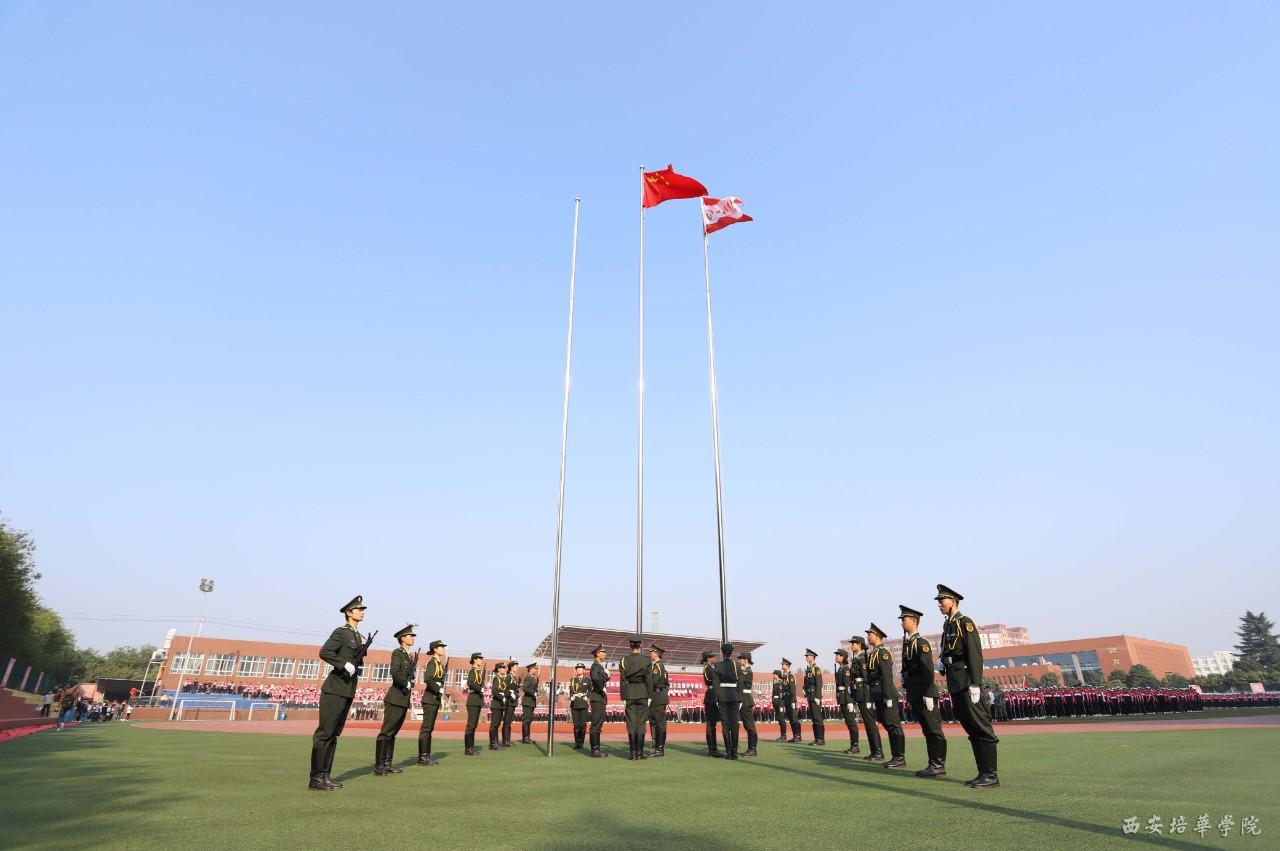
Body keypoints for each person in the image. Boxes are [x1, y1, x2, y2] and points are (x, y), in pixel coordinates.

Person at [936, 584, 1001, 788]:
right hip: (955, 682)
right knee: (971, 728)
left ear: (953, 602)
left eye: (942, 601)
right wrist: (942, 661)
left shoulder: (965, 622)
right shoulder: (948, 625)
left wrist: (975, 682)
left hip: (966, 681)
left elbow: (974, 654)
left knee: (981, 727)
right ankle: (982, 772)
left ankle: (991, 775)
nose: (939, 604)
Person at [309, 595, 369, 791]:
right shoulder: (341, 632)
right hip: (334, 689)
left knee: (334, 734)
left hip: (347, 689)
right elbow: (325, 652)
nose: (362, 612)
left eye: (362, 609)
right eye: (359, 609)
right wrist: (343, 664)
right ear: (349, 613)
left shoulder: (358, 636)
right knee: (325, 733)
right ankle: (316, 778)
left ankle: (325, 775)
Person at [898, 604, 947, 778]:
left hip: (925, 693)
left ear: (913, 621)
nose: (902, 623)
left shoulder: (921, 643)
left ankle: (938, 764)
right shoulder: (909, 643)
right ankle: (933, 763)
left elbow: (927, 670)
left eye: (904, 619)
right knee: (927, 730)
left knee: (933, 729)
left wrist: (927, 693)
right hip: (916, 693)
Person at [374, 623, 415, 776]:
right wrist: (405, 683)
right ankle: (379, 765)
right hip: (395, 698)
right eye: (410, 636)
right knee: (386, 732)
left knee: (393, 733)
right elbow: (394, 671)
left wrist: (411, 682)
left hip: (403, 699)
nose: (412, 638)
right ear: (402, 638)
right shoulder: (398, 653)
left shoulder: (409, 656)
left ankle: (387, 763)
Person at [865, 623, 905, 767]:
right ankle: (896, 756)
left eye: (870, 634)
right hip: (878, 695)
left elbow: (887, 676)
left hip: (886, 695)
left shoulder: (883, 653)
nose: (868, 637)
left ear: (877, 636)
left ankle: (899, 757)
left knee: (893, 726)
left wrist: (888, 696)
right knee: (887, 724)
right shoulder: (874, 653)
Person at [618, 634, 651, 760]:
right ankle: (639, 753)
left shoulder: (624, 660)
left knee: (631, 723)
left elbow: (622, 680)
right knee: (641, 723)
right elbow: (649, 679)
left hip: (630, 693)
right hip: (643, 692)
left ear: (630, 645)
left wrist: (623, 697)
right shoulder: (646, 660)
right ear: (640, 645)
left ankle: (632, 753)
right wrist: (650, 695)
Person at [850, 635, 881, 759]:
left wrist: (868, 697)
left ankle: (878, 751)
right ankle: (874, 751)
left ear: (859, 645)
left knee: (870, 724)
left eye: (854, 643)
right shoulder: (857, 658)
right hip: (860, 694)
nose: (852, 646)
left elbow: (867, 679)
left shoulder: (863, 658)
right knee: (867, 725)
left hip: (864, 694)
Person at [417, 639, 446, 766]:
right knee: (426, 728)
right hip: (429, 699)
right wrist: (438, 688)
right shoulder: (432, 663)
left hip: (434, 699)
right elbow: (427, 678)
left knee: (429, 729)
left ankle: (426, 755)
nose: (443, 649)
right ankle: (423, 757)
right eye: (441, 647)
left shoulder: (439, 663)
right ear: (435, 649)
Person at [713, 643, 743, 760]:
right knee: (734, 724)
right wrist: (740, 698)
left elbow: (715, 684)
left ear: (722, 652)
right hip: (734, 696)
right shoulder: (737, 665)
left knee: (725, 724)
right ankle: (734, 753)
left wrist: (717, 698)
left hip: (722, 697)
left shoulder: (718, 665)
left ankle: (728, 752)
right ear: (731, 653)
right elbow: (740, 683)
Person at [834, 648, 860, 754]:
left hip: (846, 698)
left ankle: (855, 746)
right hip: (842, 698)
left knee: (851, 723)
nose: (836, 657)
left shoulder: (845, 669)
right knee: (848, 723)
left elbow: (848, 686)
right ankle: (853, 745)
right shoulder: (840, 669)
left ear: (843, 657)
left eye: (838, 655)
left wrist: (850, 701)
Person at [587, 644, 610, 758]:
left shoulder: (599, 666)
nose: (605, 654)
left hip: (600, 697)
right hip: (597, 697)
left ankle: (597, 749)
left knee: (599, 723)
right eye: (602, 652)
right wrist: (604, 679)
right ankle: (595, 750)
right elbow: (596, 678)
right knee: (596, 724)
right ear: (597, 654)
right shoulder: (596, 666)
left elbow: (599, 678)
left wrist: (606, 676)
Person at [647, 645, 669, 757]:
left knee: (659, 723)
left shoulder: (657, 666)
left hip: (657, 696)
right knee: (655, 722)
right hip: (659, 696)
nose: (650, 654)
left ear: (656, 654)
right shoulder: (660, 666)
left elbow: (653, 682)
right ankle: (657, 746)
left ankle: (659, 749)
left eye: (651, 652)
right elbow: (667, 684)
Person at [700, 649, 722, 757]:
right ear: (708, 659)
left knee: (712, 724)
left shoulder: (709, 668)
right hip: (712, 696)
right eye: (713, 657)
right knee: (711, 724)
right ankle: (712, 749)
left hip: (711, 695)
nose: (714, 658)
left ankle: (713, 748)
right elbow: (715, 682)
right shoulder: (708, 669)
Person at [737, 650, 759, 757]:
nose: (740, 661)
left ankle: (752, 749)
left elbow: (740, 683)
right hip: (743, 699)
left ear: (746, 660)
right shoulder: (743, 671)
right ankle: (751, 748)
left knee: (750, 726)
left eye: (741, 659)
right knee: (747, 726)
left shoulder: (747, 671)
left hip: (745, 700)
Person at [464, 652, 485, 756]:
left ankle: (470, 748)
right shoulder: (473, 671)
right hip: (473, 700)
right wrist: (480, 688)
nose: (481, 660)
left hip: (477, 700)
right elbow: (470, 683)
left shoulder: (477, 672)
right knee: (471, 725)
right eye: (480, 658)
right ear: (475, 660)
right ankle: (468, 749)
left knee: (474, 725)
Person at [803, 649, 825, 745]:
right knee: (813, 719)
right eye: (806, 656)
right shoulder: (809, 669)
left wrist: (818, 697)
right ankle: (816, 738)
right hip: (810, 696)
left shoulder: (816, 669)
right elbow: (807, 682)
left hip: (815, 696)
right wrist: (804, 689)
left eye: (808, 656)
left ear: (813, 657)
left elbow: (819, 683)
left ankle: (821, 739)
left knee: (817, 718)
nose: (807, 658)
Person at [568, 663, 591, 750]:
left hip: (583, 704)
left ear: (584, 670)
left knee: (583, 725)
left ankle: (581, 742)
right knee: (576, 724)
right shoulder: (573, 680)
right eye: (577, 668)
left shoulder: (587, 680)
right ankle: (577, 742)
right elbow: (571, 690)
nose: (579, 670)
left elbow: (591, 690)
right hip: (575, 704)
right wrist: (571, 696)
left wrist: (587, 697)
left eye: (580, 668)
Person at [779, 658, 801, 741]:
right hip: (786, 699)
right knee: (791, 719)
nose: (782, 666)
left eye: (783, 664)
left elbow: (792, 689)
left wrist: (793, 701)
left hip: (791, 699)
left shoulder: (790, 676)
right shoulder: (785, 676)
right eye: (782, 664)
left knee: (794, 718)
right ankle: (795, 735)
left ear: (787, 665)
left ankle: (797, 736)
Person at [488, 661, 509, 750]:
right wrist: (501, 697)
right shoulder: (496, 678)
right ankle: (493, 744)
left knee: (497, 724)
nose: (505, 669)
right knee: (494, 724)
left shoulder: (502, 679)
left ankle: (496, 743)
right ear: (499, 669)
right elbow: (494, 691)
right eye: (503, 668)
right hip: (496, 704)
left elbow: (503, 690)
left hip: (500, 704)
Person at [520, 661, 540, 744]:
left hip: (531, 702)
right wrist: (533, 693)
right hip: (527, 702)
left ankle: (527, 737)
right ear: (531, 669)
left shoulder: (532, 678)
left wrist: (536, 690)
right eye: (535, 668)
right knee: (526, 720)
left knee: (529, 720)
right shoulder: (528, 678)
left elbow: (533, 688)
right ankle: (525, 738)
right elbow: (525, 688)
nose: (536, 670)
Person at [502, 662, 519, 748]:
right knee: (507, 722)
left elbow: (516, 689)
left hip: (513, 702)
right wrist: (510, 693)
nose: (517, 668)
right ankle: (505, 741)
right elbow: (504, 687)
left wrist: (516, 694)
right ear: (511, 668)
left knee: (509, 722)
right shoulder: (508, 677)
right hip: (509, 702)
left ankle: (508, 740)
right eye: (516, 666)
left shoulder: (515, 677)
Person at [771, 670, 787, 740]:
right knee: (779, 719)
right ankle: (782, 735)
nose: (773, 675)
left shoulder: (781, 683)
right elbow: (773, 694)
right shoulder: (775, 683)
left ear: (777, 675)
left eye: (774, 674)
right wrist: (773, 701)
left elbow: (781, 694)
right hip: (776, 702)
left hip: (780, 702)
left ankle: (783, 735)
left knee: (781, 719)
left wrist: (781, 704)